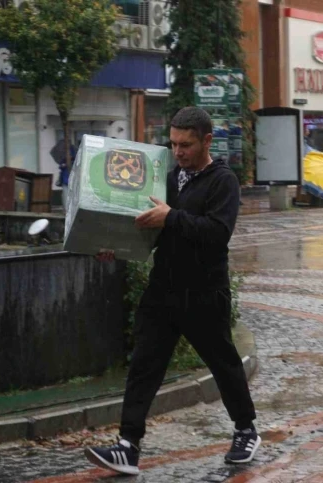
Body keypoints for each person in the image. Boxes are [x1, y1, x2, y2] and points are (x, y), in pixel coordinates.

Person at [84, 107, 259, 475]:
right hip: (163, 288)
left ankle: (246, 429)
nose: (178, 152)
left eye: (186, 145)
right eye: (174, 144)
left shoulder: (222, 181)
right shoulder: (166, 177)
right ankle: (128, 446)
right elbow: (147, 225)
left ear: (206, 141)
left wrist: (171, 217)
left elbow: (216, 234)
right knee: (144, 365)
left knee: (223, 364)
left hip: (204, 292)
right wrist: (113, 242)